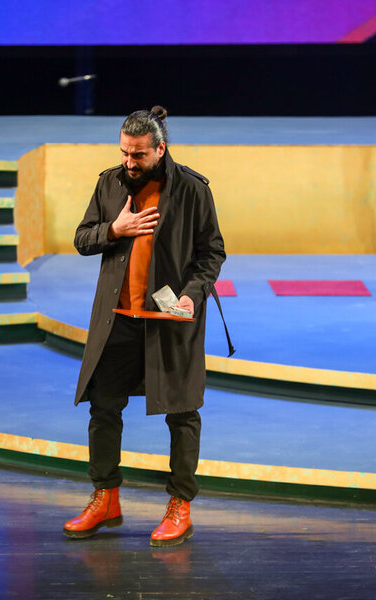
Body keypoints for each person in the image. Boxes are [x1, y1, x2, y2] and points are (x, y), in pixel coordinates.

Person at [65, 106, 226, 547]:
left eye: (138, 155)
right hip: (117, 319)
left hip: (169, 322)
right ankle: (105, 498)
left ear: (160, 148)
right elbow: (82, 238)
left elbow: (212, 253)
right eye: (124, 152)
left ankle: (180, 504)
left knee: (182, 412)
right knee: (103, 408)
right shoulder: (109, 183)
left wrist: (193, 293)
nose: (129, 162)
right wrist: (114, 230)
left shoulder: (191, 189)